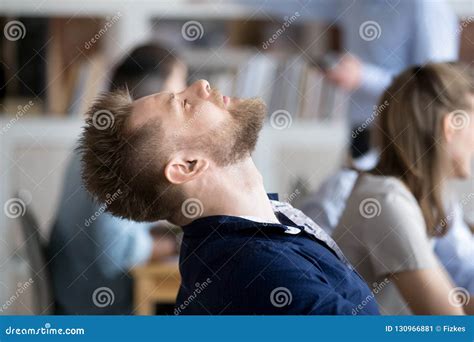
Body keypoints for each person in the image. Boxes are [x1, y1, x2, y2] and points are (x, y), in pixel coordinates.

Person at [77, 79, 379, 315]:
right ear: (187, 166)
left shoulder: (264, 224)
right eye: (183, 104)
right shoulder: (259, 273)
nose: (202, 86)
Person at [48, 43, 187, 314]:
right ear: (155, 94)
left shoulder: (100, 140)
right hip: (102, 303)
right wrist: (177, 244)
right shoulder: (120, 153)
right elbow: (116, 253)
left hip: (73, 291)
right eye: (179, 88)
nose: (184, 97)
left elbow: (119, 229)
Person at [331, 63, 474, 315]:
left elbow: (453, 303)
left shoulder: (405, 196)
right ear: (450, 127)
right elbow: (450, 324)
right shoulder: (386, 200)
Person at [239, 0, 459, 157]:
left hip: (407, 135)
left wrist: (363, 77)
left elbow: (435, 86)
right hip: (361, 129)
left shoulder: (428, 7)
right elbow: (297, 4)